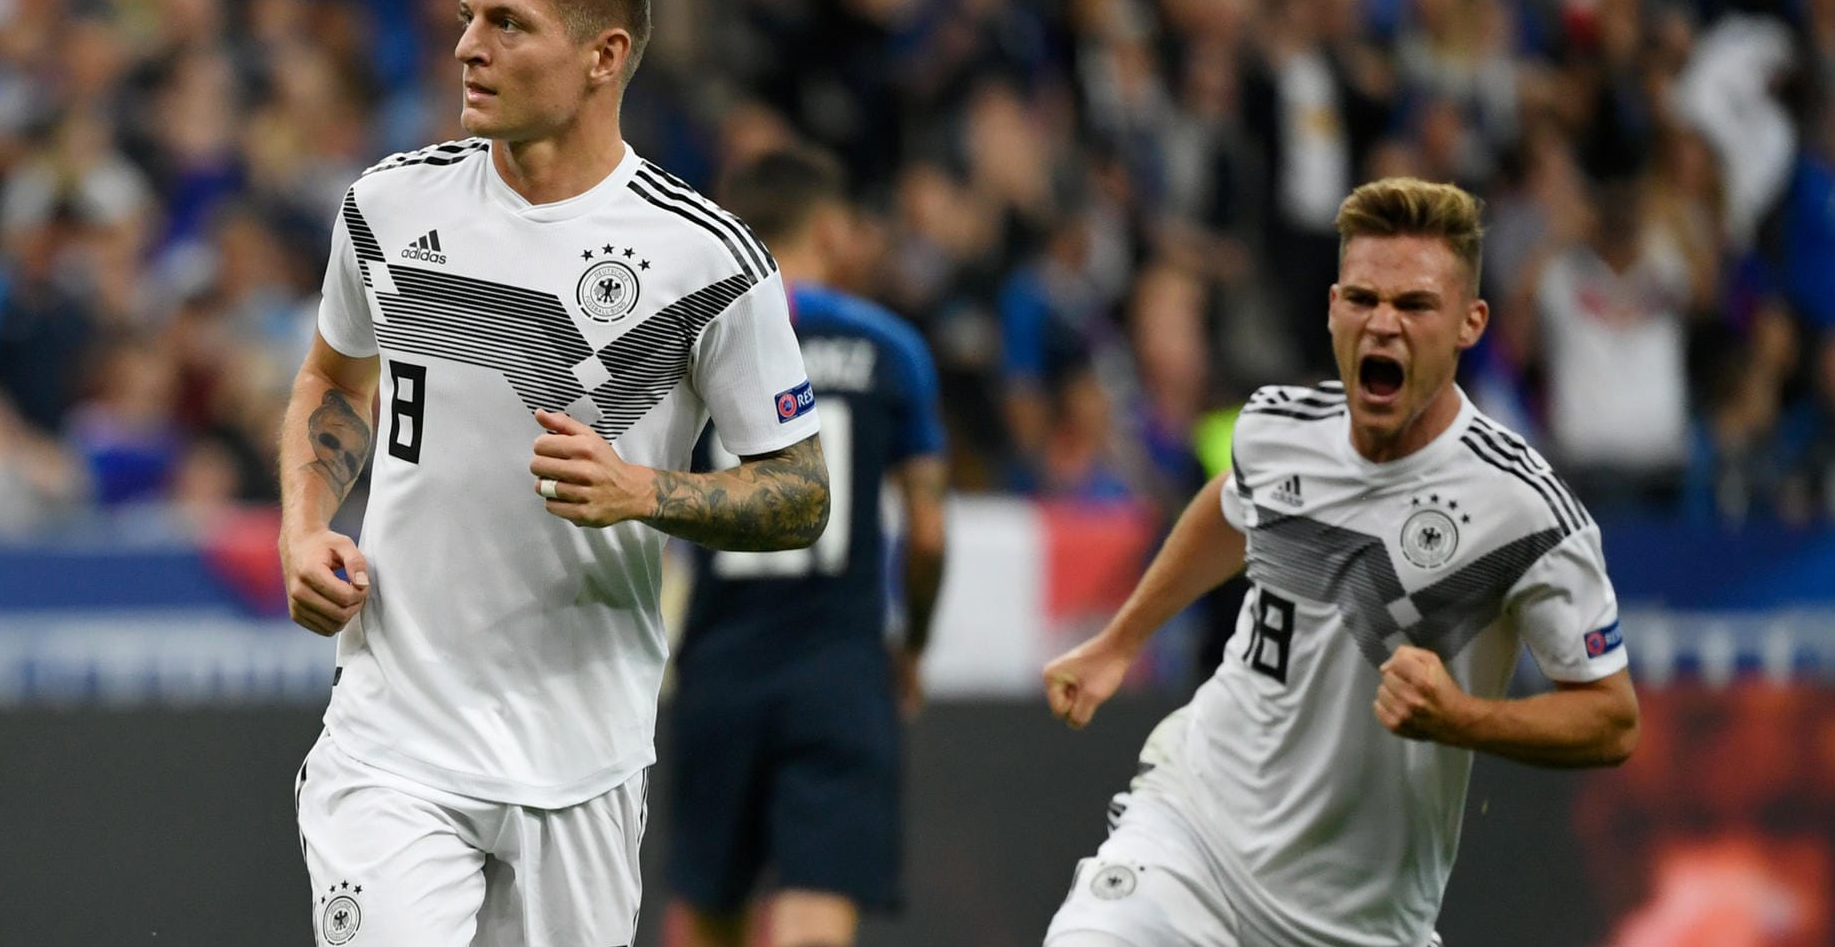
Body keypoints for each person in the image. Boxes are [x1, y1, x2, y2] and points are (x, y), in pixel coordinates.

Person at [275, 0, 830, 947]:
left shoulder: (706, 260)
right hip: (394, 733)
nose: (467, 47)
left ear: (603, 56)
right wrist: (305, 527)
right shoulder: (388, 209)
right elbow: (332, 380)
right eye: (467, 16)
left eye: (509, 24)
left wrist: (644, 491)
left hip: (583, 752)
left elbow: (801, 491)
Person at [1041, 178, 1641, 947]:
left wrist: (1462, 720)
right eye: (1362, 298)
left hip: (1354, 921)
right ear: (1331, 307)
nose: (1382, 324)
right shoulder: (1275, 426)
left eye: (1415, 305)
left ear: (1469, 322)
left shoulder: (1523, 509)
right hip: (1193, 835)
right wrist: (1119, 642)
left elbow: (1611, 717)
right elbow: (1233, 503)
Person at [665, 147, 949, 947]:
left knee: (707, 912)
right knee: (815, 910)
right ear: (830, 227)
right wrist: (913, 645)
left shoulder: (691, 344)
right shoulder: (889, 347)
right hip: (839, 666)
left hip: (718, 664)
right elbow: (926, 532)